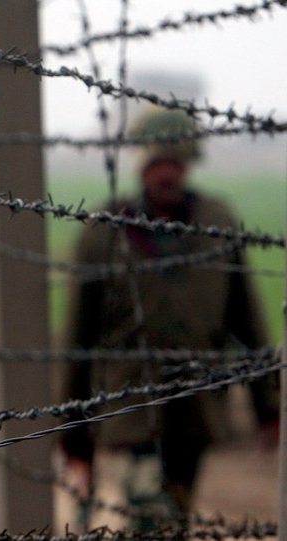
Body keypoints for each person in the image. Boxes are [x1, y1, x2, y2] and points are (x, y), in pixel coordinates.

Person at [61, 107, 279, 528]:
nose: (166, 174)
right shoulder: (105, 233)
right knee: (151, 513)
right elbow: (77, 339)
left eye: (175, 163)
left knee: (173, 511)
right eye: (157, 163)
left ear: (189, 164)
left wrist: (267, 406)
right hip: (130, 409)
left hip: (196, 408)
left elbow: (248, 320)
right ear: (141, 166)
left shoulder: (216, 224)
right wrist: (74, 435)